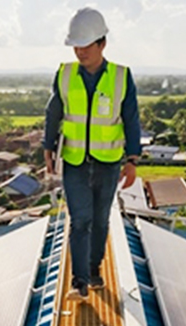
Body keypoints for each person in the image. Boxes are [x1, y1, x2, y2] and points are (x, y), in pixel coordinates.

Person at [43, 7, 141, 301]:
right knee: (80, 220)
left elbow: (131, 119)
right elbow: (53, 113)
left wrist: (132, 160)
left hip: (108, 164)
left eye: (85, 45)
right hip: (74, 162)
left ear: (102, 43)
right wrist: (48, 148)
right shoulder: (65, 74)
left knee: (100, 221)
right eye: (76, 45)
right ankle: (79, 281)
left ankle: (94, 269)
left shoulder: (122, 77)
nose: (79, 51)